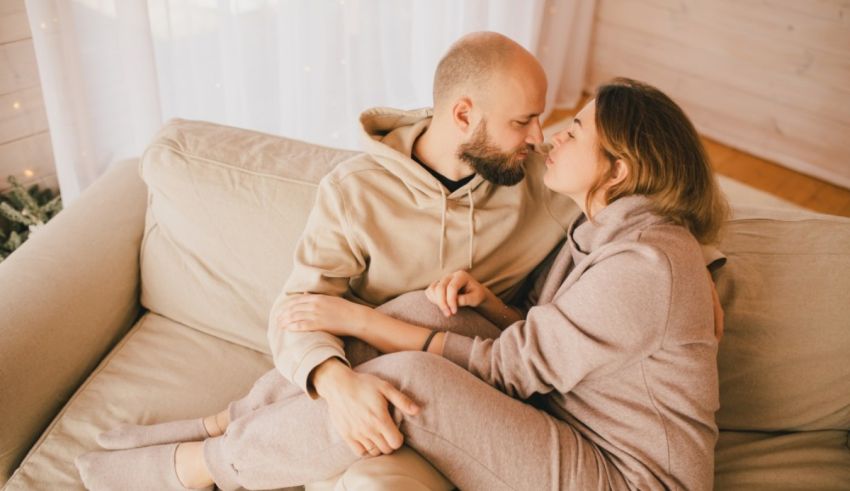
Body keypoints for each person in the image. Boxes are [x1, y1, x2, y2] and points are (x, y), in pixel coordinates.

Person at [77, 77, 729, 490]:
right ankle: (222, 422)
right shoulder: (607, 232)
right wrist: (494, 304)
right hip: (566, 418)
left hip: (628, 476)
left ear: (619, 168)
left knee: (409, 381)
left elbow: (511, 369)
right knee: (429, 309)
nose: (553, 135)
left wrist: (358, 320)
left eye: (577, 128)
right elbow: (553, 344)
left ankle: (200, 470)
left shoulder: (647, 262)